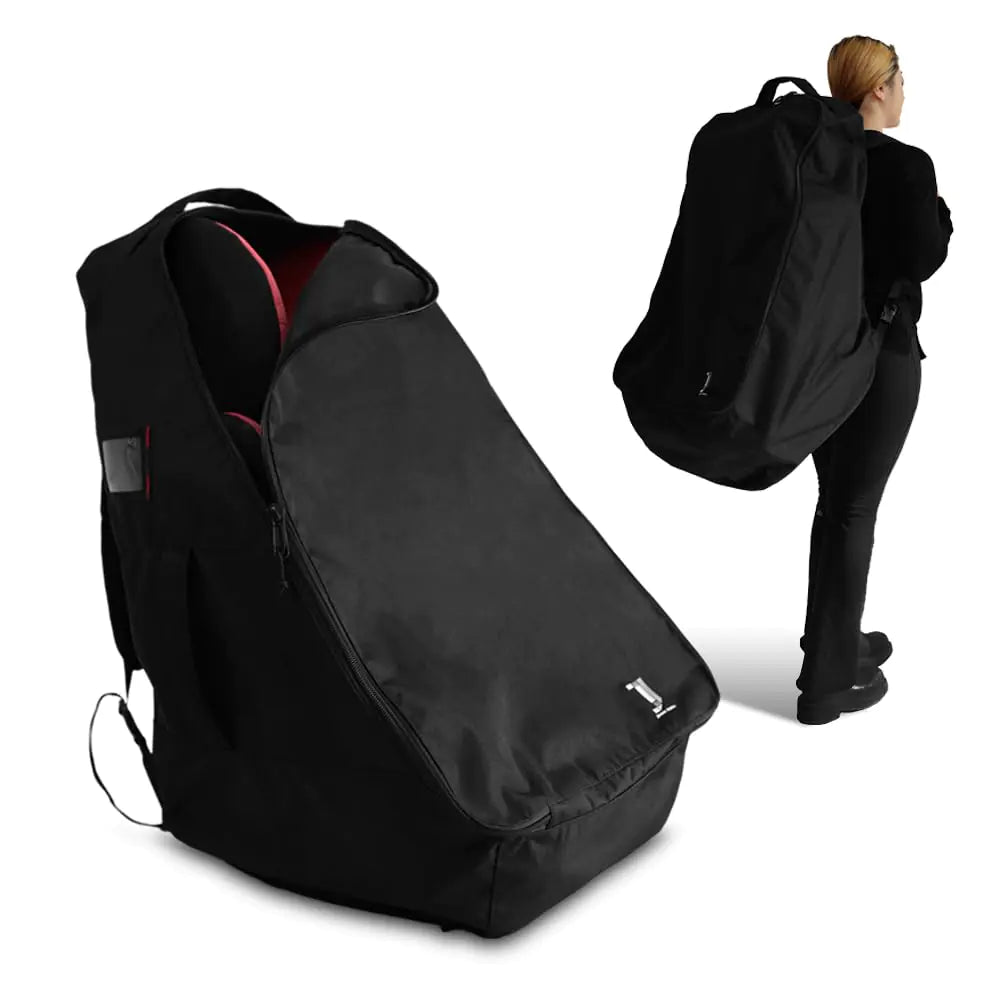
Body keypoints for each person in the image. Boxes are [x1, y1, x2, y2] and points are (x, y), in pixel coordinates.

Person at [796, 36, 953, 724]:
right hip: (880, 352)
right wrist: (942, 218)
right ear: (880, 87)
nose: (905, 92)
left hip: (810, 360)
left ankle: (832, 640)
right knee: (853, 508)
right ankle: (829, 684)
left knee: (836, 503)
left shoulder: (811, 155)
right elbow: (921, 257)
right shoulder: (906, 165)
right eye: (901, 80)